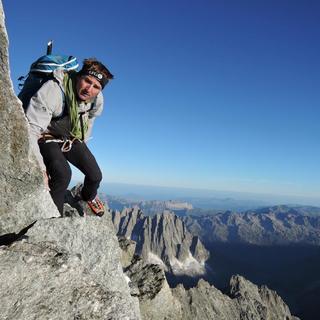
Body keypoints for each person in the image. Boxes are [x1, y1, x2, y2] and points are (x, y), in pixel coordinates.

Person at [25, 58, 114, 216]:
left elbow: (91, 118)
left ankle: (88, 196)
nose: (89, 89)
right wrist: (41, 169)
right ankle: (53, 219)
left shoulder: (96, 99)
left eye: (96, 87)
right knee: (62, 175)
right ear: (79, 76)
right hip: (45, 136)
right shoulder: (54, 91)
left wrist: (83, 142)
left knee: (95, 175)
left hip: (71, 138)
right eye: (87, 81)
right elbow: (32, 129)